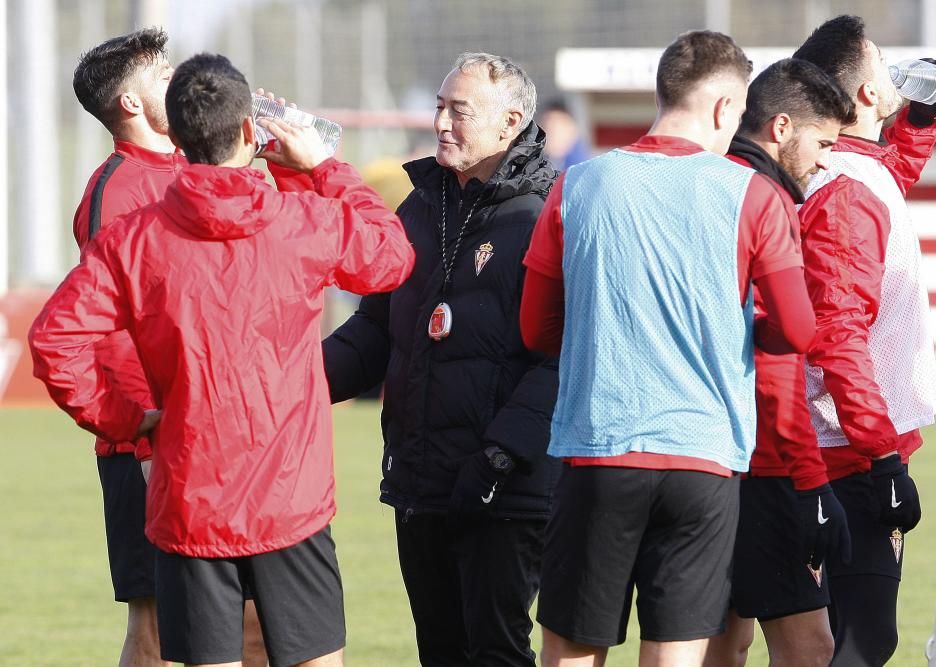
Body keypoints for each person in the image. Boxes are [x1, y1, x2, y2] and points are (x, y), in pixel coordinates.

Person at [30, 53, 414, 667]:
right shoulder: (302, 219)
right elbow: (390, 257)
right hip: (291, 497)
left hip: (192, 498)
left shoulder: (133, 239)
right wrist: (321, 168)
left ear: (177, 137)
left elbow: (55, 341)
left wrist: (126, 418)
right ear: (247, 130)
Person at [520, 31, 817, 667]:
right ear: (724, 107)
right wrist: (735, 332)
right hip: (703, 456)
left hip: (599, 448)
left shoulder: (578, 185)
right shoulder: (754, 194)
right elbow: (797, 329)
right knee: (675, 654)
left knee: (572, 648)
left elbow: (535, 330)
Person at [321, 52, 559, 665]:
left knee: (497, 653)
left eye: (460, 111)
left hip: (502, 486)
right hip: (421, 478)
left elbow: (568, 355)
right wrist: (292, 382)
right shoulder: (419, 208)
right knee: (440, 653)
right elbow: (375, 330)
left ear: (510, 122)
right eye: (439, 108)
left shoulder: (549, 214)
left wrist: (501, 453)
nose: (442, 124)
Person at [71, 29, 267, 667]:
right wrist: (143, 432)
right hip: (152, 446)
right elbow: (108, 328)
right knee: (156, 629)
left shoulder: (192, 168)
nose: (177, 79)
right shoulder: (119, 190)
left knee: (259, 625)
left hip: (222, 440)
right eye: (160, 76)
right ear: (129, 104)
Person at [792, 15, 936, 665]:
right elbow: (839, 332)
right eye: (883, 68)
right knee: (854, 642)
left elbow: (891, 174)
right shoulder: (848, 188)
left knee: (853, 639)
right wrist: (881, 456)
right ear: (862, 95)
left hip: (846, 444)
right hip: (845, 454)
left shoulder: (858, 169)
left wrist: (922, 116)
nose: (893, 77)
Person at [703, 58, 857, 667]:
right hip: (763, 463)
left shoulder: (706, 181)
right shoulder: (761, 197)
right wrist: (810, 478)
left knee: (718, 639)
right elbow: (777, 355)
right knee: (809, 648)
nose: (825, 160)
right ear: (782, 126)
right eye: (823, 142)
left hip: (696, 454)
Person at [539, 99, 590, 170]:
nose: (553, 136)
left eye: (558, 129)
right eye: (547, 128)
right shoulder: (531, 165)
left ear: (573, 131)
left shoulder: (584, 171)